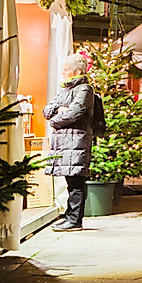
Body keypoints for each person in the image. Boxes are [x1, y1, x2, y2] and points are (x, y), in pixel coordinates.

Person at [43, 55, 95, 232]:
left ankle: (74, 220)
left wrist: (54, 121)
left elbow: (74, 113)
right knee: (70, 180)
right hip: (65, 142)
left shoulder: (84, 89)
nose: (63, 73)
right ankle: (70, 217)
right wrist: (58, 109)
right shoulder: (65, 90)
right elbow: (47, 109)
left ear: (77, 72)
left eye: (66, 69)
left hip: (76, 141)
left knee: (76, 181)